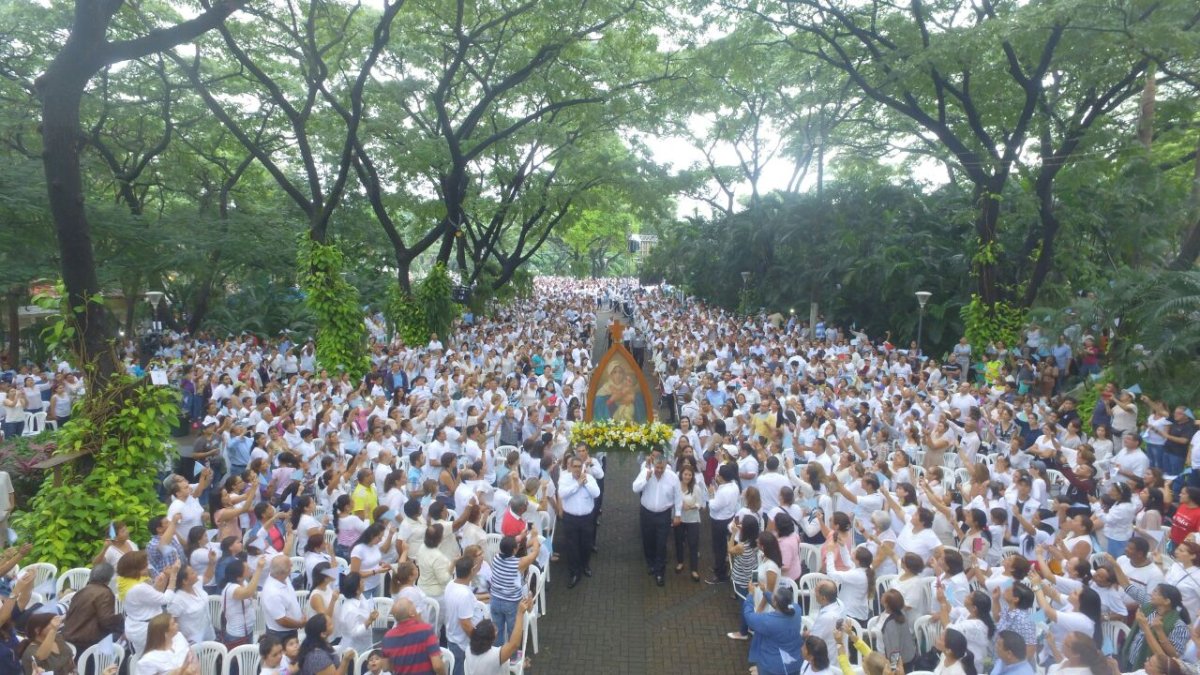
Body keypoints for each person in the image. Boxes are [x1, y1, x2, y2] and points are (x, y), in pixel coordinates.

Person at [632, 450, 682, 587]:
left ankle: (660, 571)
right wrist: (646, 479)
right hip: (646, 513)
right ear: (653, 465)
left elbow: (678, 496)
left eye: (662, 468)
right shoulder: (645, 473)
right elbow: (634, 488)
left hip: (663, 514)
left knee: (661, 543)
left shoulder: (672, 477)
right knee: (648, 540)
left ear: (666, 466)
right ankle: (651, 564)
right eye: (657, 467)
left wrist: (677, 514)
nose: (659, 470)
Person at [123, 553, 180, 655]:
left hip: (136, 625)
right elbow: (166, 599)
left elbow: (150, 599)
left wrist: (165, 576)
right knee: (152, 659)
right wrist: (173, 575)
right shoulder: (138, 587)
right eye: (145, 565)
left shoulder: (127, 581)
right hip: (145, 630)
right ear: (137, 569)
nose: (148, 565)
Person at [741, 583, 804, 675]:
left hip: (773, 667)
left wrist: (750, 595)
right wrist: (765, 591)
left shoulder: (768, 620)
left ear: (775, 602)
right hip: (796, 662)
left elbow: (748, 616)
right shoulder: (797, 610)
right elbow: (781, 605)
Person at [557, 454, 599, 589]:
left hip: (587, 518)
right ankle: (574, 572)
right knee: (572, 546)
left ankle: (585, 565)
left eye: (579, 466)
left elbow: (596, 493)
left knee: (586, 544)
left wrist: (585, 483)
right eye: (574, 466)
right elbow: (563, 494)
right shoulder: (564, 479)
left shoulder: (590, 478)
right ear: (569, 467)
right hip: (571, 518)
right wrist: (577, 484)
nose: (576, 469)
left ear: (582, 467)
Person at [62, 563, 123, 654]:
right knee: (124, 633)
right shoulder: (105, 593)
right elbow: (106, 621)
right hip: (87, 641)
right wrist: (120, 618)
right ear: (108, 579)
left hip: (70, 636)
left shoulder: (83, 590)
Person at [465, 596, 535, 675]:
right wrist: (520, 614)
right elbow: (514, 644)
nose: (496, 630)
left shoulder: (468, 649)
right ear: (489, 639)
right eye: (494, 631)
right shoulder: (493, 656)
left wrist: (523, 665)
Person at [381, 597, 445, 675]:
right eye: (414, 606)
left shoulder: (388, 637)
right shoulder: (426, 630)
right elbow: (437, 666)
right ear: (411, 613)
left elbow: (385, 667)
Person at [443, 557, 479, 675]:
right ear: (471, 571)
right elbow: (465, 624)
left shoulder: (451, 584)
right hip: (461, 642)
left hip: (453, 637)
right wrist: (478, 640)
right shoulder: (464, 594)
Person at [706, 463, 740, 584]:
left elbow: (714, 506)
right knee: (722, 546)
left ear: (722, 477)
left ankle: (720, 574)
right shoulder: (734, 485)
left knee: (719, 548)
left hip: (719, 521)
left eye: (718, 475)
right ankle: (719, 567)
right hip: (729, 518)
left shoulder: (724, 491)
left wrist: (711, 494)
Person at [262, 555, 305, 641]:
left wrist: (301, 615)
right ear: (282, 573)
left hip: (291, 629)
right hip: (281, 635)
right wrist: (299, 624)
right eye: (290, 566)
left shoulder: (284, 578)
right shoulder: (272, 593)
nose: (292, 566)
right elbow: (281, 620)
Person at [675, 463, 706, 581]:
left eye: (689, 475)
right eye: (685, 474)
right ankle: (680, 562)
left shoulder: (696, 488)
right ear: (681, 475)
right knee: (678, 541)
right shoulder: (676, 486)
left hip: (693, 519)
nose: (687, 477)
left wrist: (692, 506)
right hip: (680, 518)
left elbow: (700, 504)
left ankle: (694, 569)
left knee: (693, 543)